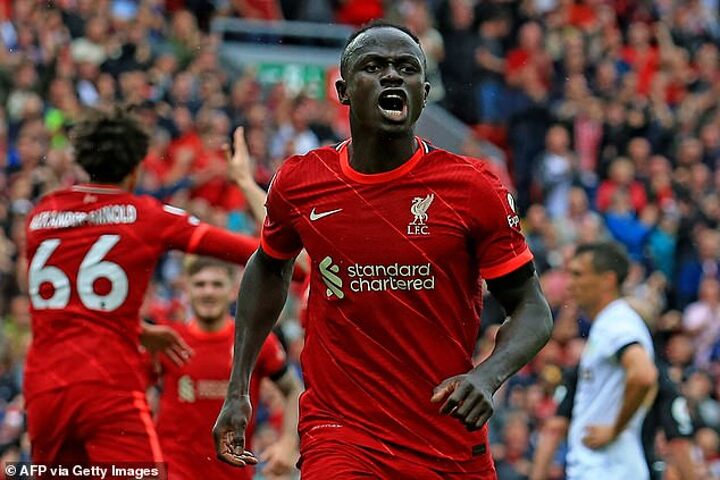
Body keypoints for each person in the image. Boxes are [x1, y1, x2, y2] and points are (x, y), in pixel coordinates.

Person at [213, 23, 553, 479]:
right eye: (373, 66)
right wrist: (239, 387)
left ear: (424, 93)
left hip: (444, 437)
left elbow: (532, 308)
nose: (392, 75)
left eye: (406, 68)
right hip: (341, 431)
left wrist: (487, 376)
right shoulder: (300, 181)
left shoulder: (473, 188)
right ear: (343, 91)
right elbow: (269, 267)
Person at [23, 107, 264, 467]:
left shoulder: (41, 215)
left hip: (44, 389)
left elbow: (63, 301)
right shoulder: (146, 216)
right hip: (107, 384)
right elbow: (257, 251)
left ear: (82, 161)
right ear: (136, 168)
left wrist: (136, 328)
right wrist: (244, 182)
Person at [155, 256, 302, 480]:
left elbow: (293, 390)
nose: (208, 292)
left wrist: (288, 443)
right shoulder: (169, 341)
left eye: (217, 284)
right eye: (200, 284)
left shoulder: (254, 342)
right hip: (175, 471)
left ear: (233, 291)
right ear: (187, 289)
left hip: (234, 473)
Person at [563, 242, 658, 479]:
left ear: (607, 280)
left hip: (608, 468)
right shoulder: (609, 322)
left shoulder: (617, 322)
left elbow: (644, 375)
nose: (570, 284)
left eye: (578, 274)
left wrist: (615, 429)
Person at [530, 360, 696, 480]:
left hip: (587, 471)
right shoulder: (656, 372)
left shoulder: (585, 367)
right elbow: (679, 443)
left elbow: (554, 430)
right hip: (636, 472)